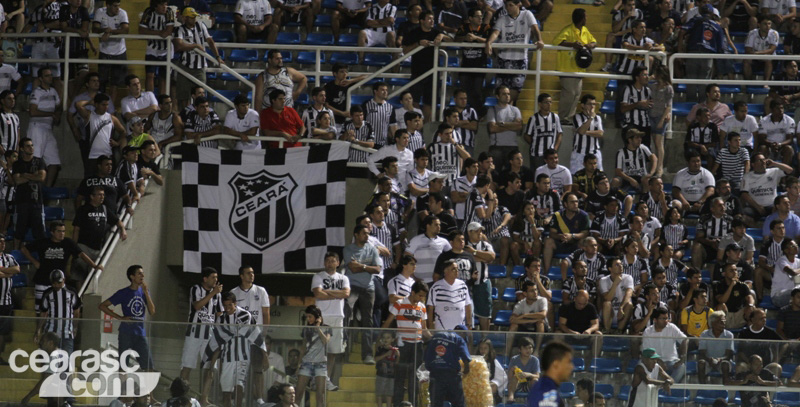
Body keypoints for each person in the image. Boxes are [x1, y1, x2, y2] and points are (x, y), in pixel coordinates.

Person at [205, 292, 267, 407]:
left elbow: (255, 335)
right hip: (227, 358)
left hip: (243, 356)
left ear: (235, 303)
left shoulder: (245, 315)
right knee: (226, 391)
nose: (227, 308)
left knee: (239, 384)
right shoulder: (221, 319)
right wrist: (211, 364)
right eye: (225, 306)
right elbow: (218, 341)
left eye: (230, 305)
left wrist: (265, 356)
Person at [98, 265, 157, 373]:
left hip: (140, 332)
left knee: (149, 366)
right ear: (132, 277)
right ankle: (122, 389)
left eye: (142, 273)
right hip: (126, 332)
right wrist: (120, 318)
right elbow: (102, 306)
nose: (142, 276)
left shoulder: (144, 292)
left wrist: (146, 293)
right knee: (123, 366)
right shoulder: (123, 292)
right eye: (139, 273)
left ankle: (148, 389)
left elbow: (152, 311)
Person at [484, 0, 543, 103]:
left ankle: (509, 110)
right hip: (504, 59)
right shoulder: (502, 19)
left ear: (518, 4)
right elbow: (495, 33)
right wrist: (489, 42)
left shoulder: (527, 14)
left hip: (520, 59)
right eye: (506, 5)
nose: (508, 8)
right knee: (501, 90)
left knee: (515, 91)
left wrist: (540, 40)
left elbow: (535, 28)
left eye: (511, 5)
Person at [382, 280, 430, 407]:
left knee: (415, 377)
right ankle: (397, 405)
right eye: (419, 295)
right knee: (400, 377)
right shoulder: (399, 303)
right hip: (402, 345)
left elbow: (424, 329)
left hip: (417, 345)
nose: (421, 298)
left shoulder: (422, 306)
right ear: (413, 292)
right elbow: (388, 322)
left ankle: (413, 404)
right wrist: (381, 338)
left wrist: (434, 339)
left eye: (423, 296)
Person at [229, 265, 272, 402]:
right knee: (239, 370)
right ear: (241, 276)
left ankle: (259, 399)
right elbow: (230, 314)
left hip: (256, 335)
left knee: (258, 368)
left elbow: (266, 313)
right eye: (248, 273)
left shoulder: (261, 291)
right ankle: (236, 399)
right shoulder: (234, 292)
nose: (251, 275)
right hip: (240, 337)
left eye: (253, 273)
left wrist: (263, 333)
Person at [180, 267, 223, 404]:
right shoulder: (196, 289)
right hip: (194, 331)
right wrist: (213, 293)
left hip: (209, 333)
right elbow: (197, 306)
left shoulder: (218, 294)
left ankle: (204, 398)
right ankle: (182, 396)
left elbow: (219, 313)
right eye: (213, 277)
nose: (215, 280)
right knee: (187, 365)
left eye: (216, 277)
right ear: (205, 279)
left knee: (210, 366)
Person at [343, 224, 381, 365]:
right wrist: (366, 268)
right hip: (351, 286)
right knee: (346, 318)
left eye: (368, 233)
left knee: (368, 321)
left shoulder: (372, 249)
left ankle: (367, 355)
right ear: (356, 235)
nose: (367, 236)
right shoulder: (348, 249)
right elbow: (352, 268)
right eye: (364, 233)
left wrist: (362, 266)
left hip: (368, 288)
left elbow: (377, 269)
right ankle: (343, 350)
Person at [311, 252, 349, 388]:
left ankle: (326, 380)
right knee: (319, 351)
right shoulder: (318, 276)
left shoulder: (344, 278)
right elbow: (318, 294)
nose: (330, 263)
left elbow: (346, 294)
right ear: (324, 263)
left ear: (338, 263)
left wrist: (327, 292)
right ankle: (316, 380)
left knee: (333, 352)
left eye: (333, 261)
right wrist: (336, 294)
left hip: (338, 317)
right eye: (328, 261)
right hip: (322, 317)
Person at [72, 186, 126, 281]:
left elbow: (117, 221)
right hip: (84, 246)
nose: (102, 197)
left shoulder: (104, 209)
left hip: (98, 247)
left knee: (93, 274)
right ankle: (79, 295)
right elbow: (76, 229)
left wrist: (123, 229)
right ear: (92, 197)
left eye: (103, 195)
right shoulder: (83, 209)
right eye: (99, 195)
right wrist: (74, 247)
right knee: (80, 273)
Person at [173, 8, 223, 109]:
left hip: (199, 67)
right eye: (191, 17)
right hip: (185, 66)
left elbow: (210, 41)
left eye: (195, 17)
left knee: (201, 96)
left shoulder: (201, 26)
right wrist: (195, 46)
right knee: (183, 97)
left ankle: (199, 118)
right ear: (184, 18)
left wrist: (218, 57)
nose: (194, 19)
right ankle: (185, 118)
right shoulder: (180, 29)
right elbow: (178, 46)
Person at [401, 11, 447, 121]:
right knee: (415, 100)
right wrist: (418, 44)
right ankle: (416, 123)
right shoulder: (413, 33)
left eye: (433, 19)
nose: (432, 21)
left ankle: (426, 126)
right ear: (422, 20)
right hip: (417, 71)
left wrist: (441, 35)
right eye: (429, 19)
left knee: (429, 102)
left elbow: (453, 39)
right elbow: (405, 50)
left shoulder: (436, 32)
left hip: (433, 72)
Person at [554, 8, 597, 121]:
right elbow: (556, 41)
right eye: (585, 17)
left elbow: (594, 41)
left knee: (576, 95)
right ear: (582, 18)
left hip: (579, 69)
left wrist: (591, 45)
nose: (586, 19)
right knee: (569, 94)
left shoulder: (585, 30)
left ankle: (569, 118)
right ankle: (562, 117)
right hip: (566, 68)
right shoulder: (568, 30)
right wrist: (572, 44)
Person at [678, 5, 725, 99]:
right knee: (705, 83)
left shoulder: (695, 20)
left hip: (693, 53)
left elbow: (682, 31)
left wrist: (680, 51)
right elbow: (721, 47)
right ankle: (702, 108)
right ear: (712, 13)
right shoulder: (717, 26)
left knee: (691, 82)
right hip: (708, 55)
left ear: (700, 11)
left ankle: (690, 106)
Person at [27, 68, 61, 187]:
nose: (50, 77)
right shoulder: (36, 92)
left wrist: (57, 114)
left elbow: (58, 106)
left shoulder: (53, 91)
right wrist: (50, 114)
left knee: (54, 161)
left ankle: (47, 188)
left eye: (51, 75)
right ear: (41, 78)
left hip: (48, 128)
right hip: (37, 127)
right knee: (35, 159)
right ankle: (34, 187)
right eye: (47, 76)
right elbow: (32, 112)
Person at [75, 93, 126, 171]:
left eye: (107, 105)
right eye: (103, 105)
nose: (106, 107)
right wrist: (90, 102)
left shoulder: (112, 118)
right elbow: (78, 105)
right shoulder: (89, 115)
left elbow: (123, 131)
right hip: (92, 156)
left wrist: (118, 143)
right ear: (96, 104)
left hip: (108, 155)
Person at [423, 325, 471, 407]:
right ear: (463, 333)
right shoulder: (458, 338)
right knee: (458, 403)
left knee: (436, 403)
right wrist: (466, 370)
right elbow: (465, 357)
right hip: (452, 375)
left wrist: (431, 368)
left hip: (436, 375)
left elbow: (427, 355)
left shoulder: (435, 336)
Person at [293, 305, 331, 407]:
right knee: (298, 393)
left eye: (310, 316)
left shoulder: (326, 328)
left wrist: (318, 328)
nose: (308, 319)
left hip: (320, 364)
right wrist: (298, 365)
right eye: (307, 317)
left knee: (320, 396)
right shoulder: (306, 329)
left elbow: (325, 341)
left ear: (317, 316)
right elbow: (303, 348)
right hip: (306, 363)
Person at [34, 269, 80, 354]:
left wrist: (75, 327)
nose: (56, 285)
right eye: (54, 283)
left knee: (66, 361)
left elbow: (76, 312)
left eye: (59, 283)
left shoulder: (72, 292)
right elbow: (43, 313)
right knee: (48, 360)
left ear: (64, 280)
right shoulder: (48, 293)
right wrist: (38, 329)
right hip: (50, 332)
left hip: (67, 333)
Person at [92, 0, 129, 102]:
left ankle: (110, 106)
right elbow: (94, 28)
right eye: (115, 6)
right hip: (104, 51)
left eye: (118, 6)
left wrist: (110, 31)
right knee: (102, 81)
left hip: (119, 52)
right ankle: (101, 105)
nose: (117, 8)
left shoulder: (122, 13)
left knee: (115, 83)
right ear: (107, 5)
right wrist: (104, 30)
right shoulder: (100, 11)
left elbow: (125, 29)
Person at [543, 192, 590, 272]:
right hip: (560, 243)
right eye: (572, 202)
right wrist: (560, 236)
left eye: (576, 202)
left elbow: (585, 233)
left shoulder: (584, 215)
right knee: (548, 241)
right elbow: (552, 233)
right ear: (565, 204)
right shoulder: (558, 215)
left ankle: (581, 271)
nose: (575, 204)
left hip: (576, 244)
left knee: (584, 242)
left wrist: (572, 236)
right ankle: (547, 272)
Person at [138, 0, 176, 93]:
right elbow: (141, 31)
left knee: (164, 76)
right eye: (162, 4)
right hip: (152, 47)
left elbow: (168, 32)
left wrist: (151, 32)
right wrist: (158, 33)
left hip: (166, 48)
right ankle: (150, 98)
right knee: (150, 74)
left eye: (166, 4)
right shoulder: (149, 12)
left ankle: (163, 99)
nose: (164, 7)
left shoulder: (169, 12)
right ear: (155, 6)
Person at [741, 154, 793, 218]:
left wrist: (774, 163)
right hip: (755, 207)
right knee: (743, 215)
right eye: (760, 160)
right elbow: (744, 194)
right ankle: (759, 225)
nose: (763, 162)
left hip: (772, 206)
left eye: (764, 159)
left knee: (781, 211)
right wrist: (757, 207)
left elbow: (790, 170)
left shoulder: (774, 171)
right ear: (753, 164)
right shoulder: (747, 176)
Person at [428, 259, 472, 330]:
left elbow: (467, 305)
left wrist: (469, 325)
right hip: (442, 329)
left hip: (460, 330)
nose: (457, 271)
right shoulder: (436, 287)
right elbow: (430, 308)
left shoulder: (463, 285)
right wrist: (430, 327)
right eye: (453, 269)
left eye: (457, 269)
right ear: (445, 271)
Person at [527, 341, 573, 407]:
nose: (571, 366)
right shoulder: (546, 392)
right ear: (556, 364)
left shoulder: (547, 388)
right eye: (568, 362)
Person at [485, 85, 523, 166]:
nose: (507, 96)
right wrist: (511, 125)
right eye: (504, 94)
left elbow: (519, 126)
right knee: (496, 173)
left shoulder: (515, 110)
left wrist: (502, 124)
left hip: (512, 146)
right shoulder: (492, 110)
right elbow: (492, 128)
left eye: (508, 94)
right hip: (496, 147)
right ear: (498, 96)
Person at [509, 280, 548, 356]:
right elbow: (512, 319)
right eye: (532, 291)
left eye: (536, 290)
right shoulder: (520, 304)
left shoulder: (542, 300)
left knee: (540, 323)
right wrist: (534, 319)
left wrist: (524, 315)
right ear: (525, 293)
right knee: (514, 325)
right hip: (525, 328)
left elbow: (543, 315)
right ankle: (507, 353)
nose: (535, 293)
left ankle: (536, 351)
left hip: (541, 330)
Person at [525, 93, 563, 170]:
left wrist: (555, 149)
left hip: (550, 154)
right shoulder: (534, 118)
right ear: (540, 104)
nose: (549, 104)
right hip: (537, 154)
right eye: (546, 102)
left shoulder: (555, 117)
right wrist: (535, 143)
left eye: (550, 102)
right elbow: (526, 135)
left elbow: (560, 133)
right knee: (537, 175)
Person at [672, 149, 716, 214]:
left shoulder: (707, 174)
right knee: (675, 204)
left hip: (701, 203)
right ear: (688, 162)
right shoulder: (680, 174)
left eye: (698, 161)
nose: (696, 164)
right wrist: (683, 201)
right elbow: (675, 191)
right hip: (684, 203)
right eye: (693, 161)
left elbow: (711, 190)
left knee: (712, 205)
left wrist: (700, 202)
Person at [616, 128, 657, 194]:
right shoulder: (621, 152)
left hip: (641, 176)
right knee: (615, 181)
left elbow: (654, 158)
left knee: (647, 180)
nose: (640, 139)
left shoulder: (643, 148)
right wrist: (630, 179)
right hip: (627, 177)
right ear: (630, 140)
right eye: (637, 138)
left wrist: (651, 173)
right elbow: (618, 171)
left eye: (640, 137)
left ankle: (645, 199)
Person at [570, 95, 604, 174]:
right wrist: (590, 118)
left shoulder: (598, 118)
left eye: (594, 104)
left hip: (594, 153)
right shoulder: (577, 117)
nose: (592, 106)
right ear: (583, 105)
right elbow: (581, 131)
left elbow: (600, 133)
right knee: (576, 177)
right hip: (580, 153)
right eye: (589, 104)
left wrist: (585, 132)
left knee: (598, 177)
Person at [599, 258, 634, 332]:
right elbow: (608, 298)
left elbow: (629, 294)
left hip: (623, 312)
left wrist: (621, 307)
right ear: (610, 269)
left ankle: (619, 331)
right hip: (609, 313)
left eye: (621, 264)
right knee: (606, 303)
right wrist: (615, 283)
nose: (620, 266)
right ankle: (607, 331)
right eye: (617, 265)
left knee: (629, 304)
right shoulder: (603, 280)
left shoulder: (628, 278)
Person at [757, 100, 795, 165]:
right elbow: (762, 139)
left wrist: (779, 144)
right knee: (762, 148)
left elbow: (790, 139)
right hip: (768, 146)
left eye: (782, 108)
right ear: (771, 110)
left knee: (789, 149)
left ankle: (784, 173)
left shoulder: (789, 120)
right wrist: (772, 144)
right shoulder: (763, 121)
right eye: (778, 108)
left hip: (783, 146)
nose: (781, 110)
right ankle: (763, 172)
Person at [744, 16, 779, 81]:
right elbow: (748, 50)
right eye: (765, 24)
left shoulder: (774, 33)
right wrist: (756, 55)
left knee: (769, 60)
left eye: (769, 24)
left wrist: (756, 53)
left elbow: (771, 50)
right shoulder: (752, 33)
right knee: (746, 61)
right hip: (755, 58)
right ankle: (748, 83)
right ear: (759, 24)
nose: (767, 26)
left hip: (769, 58)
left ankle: (766, 83)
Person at [507, 336, 540, 402]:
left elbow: (537, 375)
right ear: (520, 349)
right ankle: (511, 396)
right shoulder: (514, 359)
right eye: (525, 348)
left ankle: (534, 398)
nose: (528, 350)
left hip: (529, 384)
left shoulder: (535, 360)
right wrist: (511, 370)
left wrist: (529, 375)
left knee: (535, 380)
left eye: (530, 348)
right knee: (514, 378)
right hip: (516, 385)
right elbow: (509, 378)